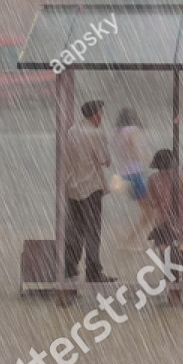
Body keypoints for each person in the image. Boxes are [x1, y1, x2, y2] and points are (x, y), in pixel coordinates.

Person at [64, 99, 116, 284]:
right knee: (93, 231)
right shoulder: (95, 134)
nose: (101, 117)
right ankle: (93, 271)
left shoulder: (71, 131)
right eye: (101, 113)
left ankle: (69, 267)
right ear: (95, 115)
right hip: (90, 188)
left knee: (75, 228)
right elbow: (105, 161)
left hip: (72, 188)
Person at [145, 149, 183, 286]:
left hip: (166, 220)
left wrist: (163, 203)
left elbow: (152, 202)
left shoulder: (153, 179)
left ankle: (172, 284)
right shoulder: (180, 175)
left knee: (168, 254)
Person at [113, 108, 151, 246]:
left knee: (150, 211)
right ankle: (128, 240)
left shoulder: (116, 132)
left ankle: (128, 240)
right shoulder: (132, 130)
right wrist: (149, 160)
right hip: (135, 175)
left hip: (123, 176)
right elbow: (135, 152)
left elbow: (124, 153)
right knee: (151, 211)